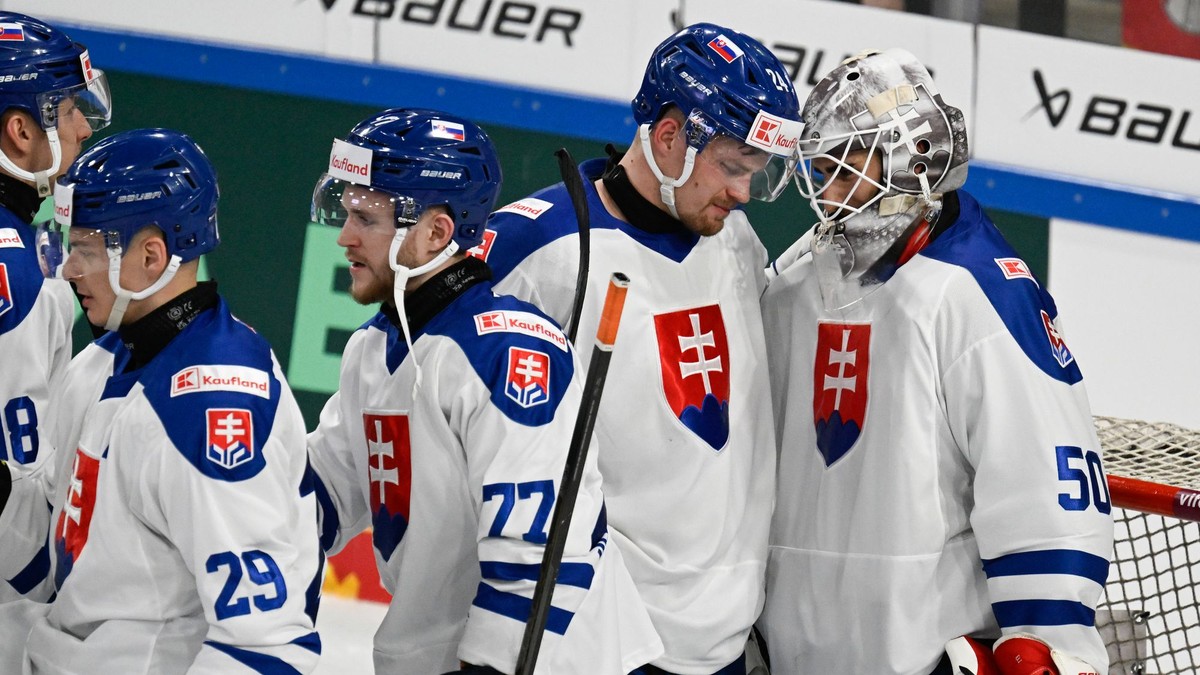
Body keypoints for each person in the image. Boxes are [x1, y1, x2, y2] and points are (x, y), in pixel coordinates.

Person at [759, 48, 1113, 674]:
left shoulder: (977, 291)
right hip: (796, 652)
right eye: (820, 170)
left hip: (919, 656)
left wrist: (1049, 643)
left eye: (843, 171)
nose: (825, 192)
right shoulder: (795, 280)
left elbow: (1046, 481)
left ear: (906, 162)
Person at [478, 22, 802, 675]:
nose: (742, 194)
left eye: (755, 174)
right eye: (732, 167)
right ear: (668, 135)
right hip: (601, 646)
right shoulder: (530, 250)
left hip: (727, 647)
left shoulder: (735, 243)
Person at [305, 108, 662, 674]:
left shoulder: (511, 351)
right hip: (431, 650)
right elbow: (324, 491)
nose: (345, 237)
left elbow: (537, 554)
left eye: (366, 219)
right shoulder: (373, 348)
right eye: (346, 211)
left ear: (436, 233)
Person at [19, 128, 322, 673]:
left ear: (152, 256)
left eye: (84, 248)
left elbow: (267, 644)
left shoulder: (211, 405)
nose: (68, 269)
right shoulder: (100, 363)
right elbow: (53, 554)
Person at [0, 10, 111, 605]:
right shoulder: (19, 269)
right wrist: (54, 590)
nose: (82, 129)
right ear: (21, 130)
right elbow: (12, 483)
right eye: (68, 111)